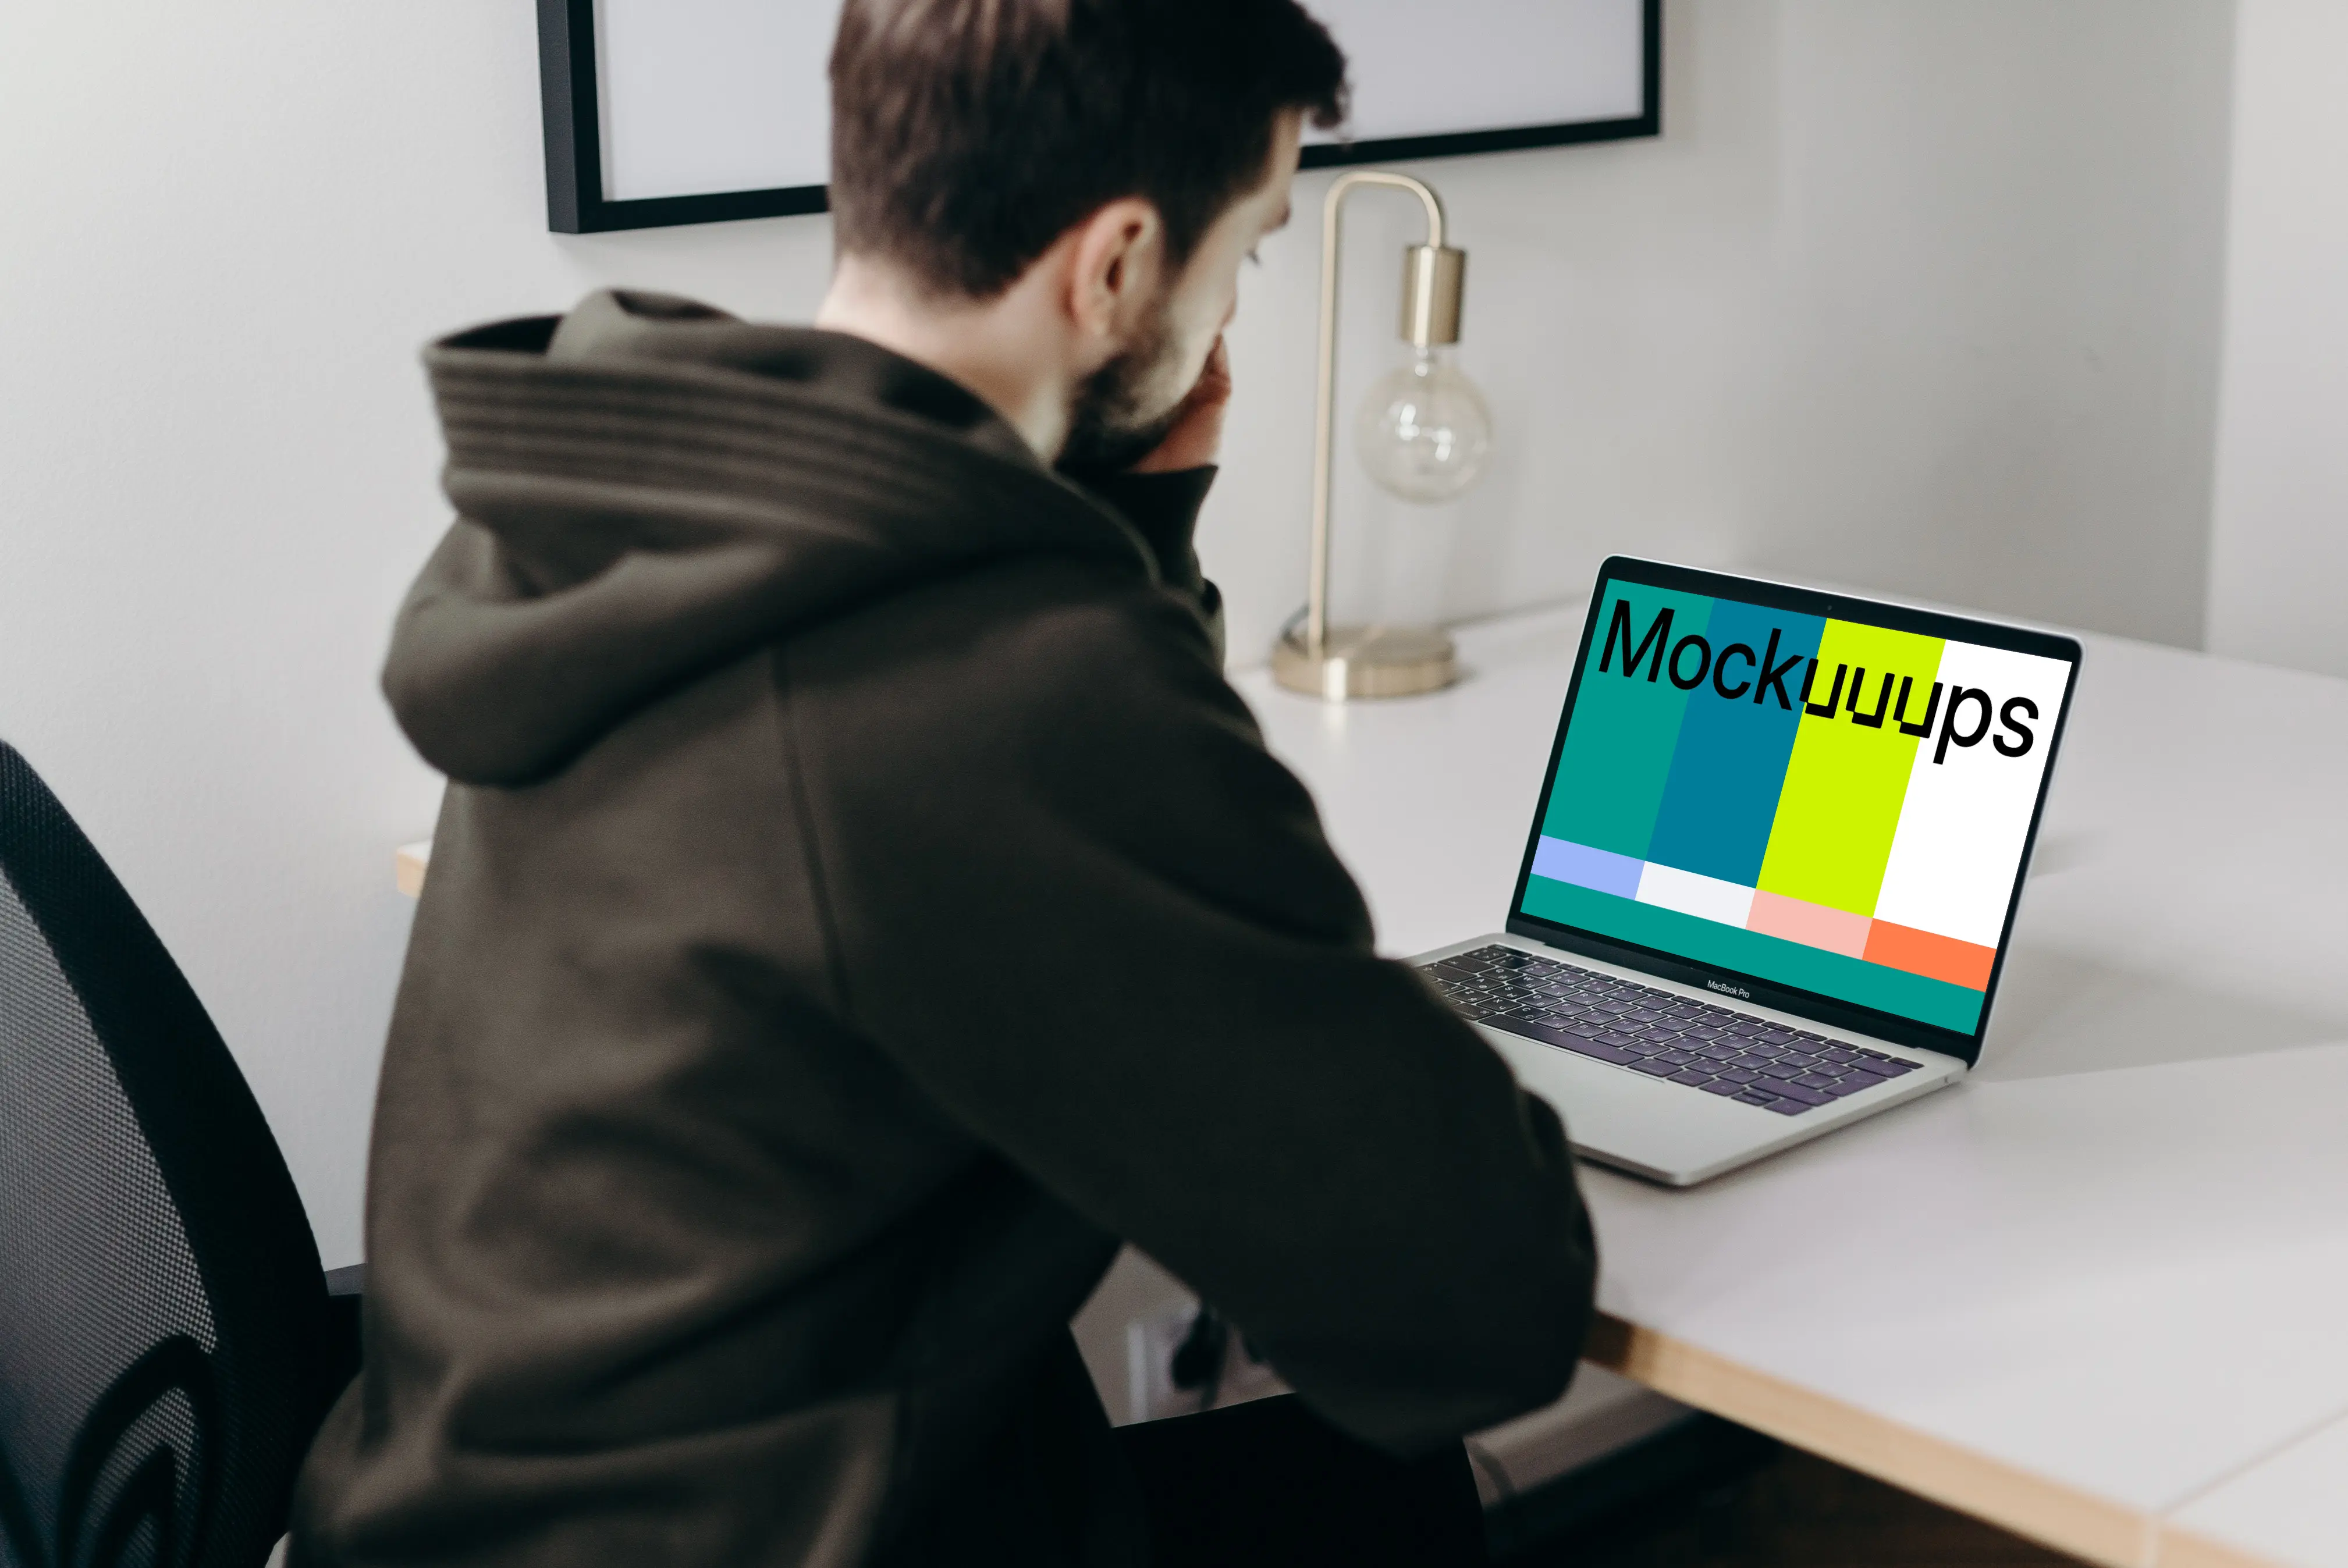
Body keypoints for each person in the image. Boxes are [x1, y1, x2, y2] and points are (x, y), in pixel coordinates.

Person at [290, 1, 1597, 1563]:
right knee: (1390, 1464)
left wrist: (1138, 526)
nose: (1235, 302)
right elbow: (1479, 1305)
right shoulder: (993, 680)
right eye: (1242, 250)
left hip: (482, 1490)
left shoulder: (656, 514)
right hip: (783, 1527)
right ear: (1117, 264)